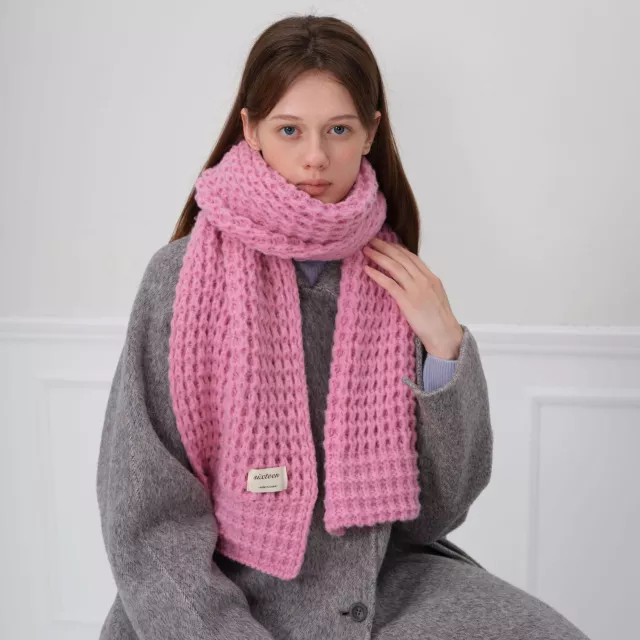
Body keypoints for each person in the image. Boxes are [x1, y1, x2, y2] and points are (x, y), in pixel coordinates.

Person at [96, 13, 591, 640]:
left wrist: (444, 347)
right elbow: (146, 519)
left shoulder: (395, 276)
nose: (315, 157)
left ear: (369, 132)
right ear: (250, 129)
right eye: (289, 129)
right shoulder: (179, 279)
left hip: (378, 585)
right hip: (223, 594)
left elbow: (435, 515)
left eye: (338, 129)